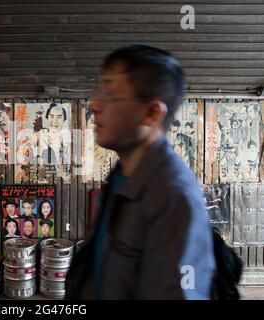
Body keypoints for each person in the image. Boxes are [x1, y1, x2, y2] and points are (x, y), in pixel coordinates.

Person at [66, 45, 215, 300]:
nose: (95, 103)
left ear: (152, 113)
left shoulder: (173, 196)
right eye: (100, 89)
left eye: (112, 93)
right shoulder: (123, 173)